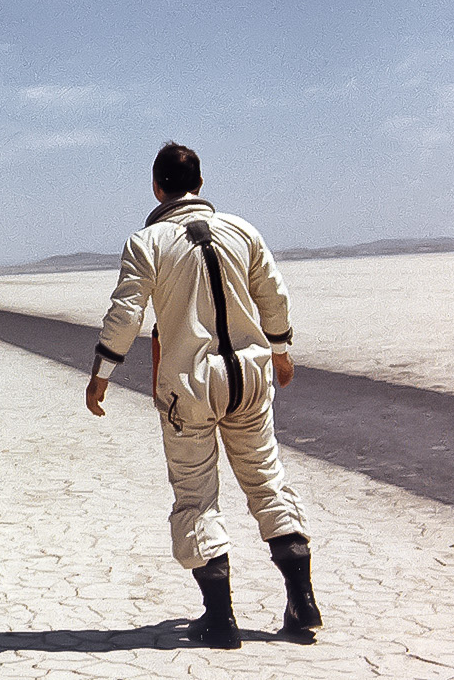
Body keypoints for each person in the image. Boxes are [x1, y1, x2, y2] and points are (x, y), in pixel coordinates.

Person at [84, 142, 321, 649]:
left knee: (195, 496)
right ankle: (302, 602)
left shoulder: (147, 242)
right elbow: (273, 296)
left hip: (190, 387)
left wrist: (102, 372)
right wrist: (280, 351)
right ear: (200, 184)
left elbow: (126, 313)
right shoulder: (243, 230)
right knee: (266, 482)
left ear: (156, 186)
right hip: (251, 377)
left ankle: (220, 620)